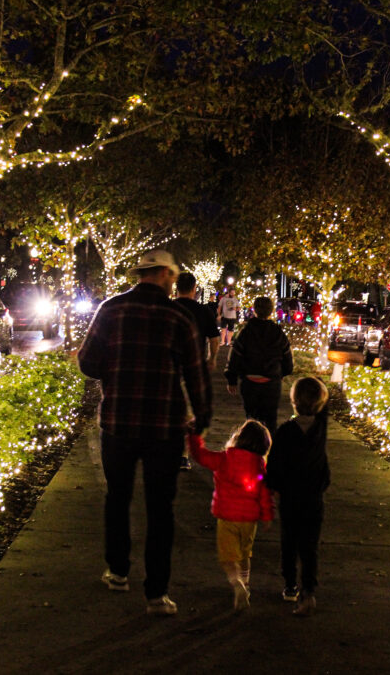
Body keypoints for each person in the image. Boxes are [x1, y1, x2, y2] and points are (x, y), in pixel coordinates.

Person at [77, 249, 212, 616]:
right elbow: (196, 373)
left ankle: (118, 571)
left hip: (118, 421)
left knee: (118, 499)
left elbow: (87, 361)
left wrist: (115, 371)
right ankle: (156, 593)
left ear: (141, 274)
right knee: (160, 508)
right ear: (167, 275)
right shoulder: (178, 316)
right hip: (164, 426)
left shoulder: (111, 309)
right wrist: (201, 415)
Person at [187, 421, 274, 611]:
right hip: (249, 520)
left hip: (227, 517)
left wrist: (194, 437)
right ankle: (246, 584)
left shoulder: (224, 459)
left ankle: (237, 584)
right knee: (244, 554)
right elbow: (264, 492)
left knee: (228, 558)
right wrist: (267, 515)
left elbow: (200, 456)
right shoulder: (259, 464)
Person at [267, 376, 330, 617]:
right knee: (310, 546)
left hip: (290, 498)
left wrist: (272, 487)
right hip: (314, 496)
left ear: (293, 402)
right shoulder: (320, 428)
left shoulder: (284, 432)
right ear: (320, 402)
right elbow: (326, 406)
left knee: (289, 542)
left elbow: (274, 465)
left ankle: (290, 585)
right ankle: (309, 591)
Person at [225, 296, 294, 435]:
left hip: (250, 382)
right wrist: (283, 373)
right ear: (271, 311)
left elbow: (235, 356)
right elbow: (287, 357)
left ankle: (252, 449)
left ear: (254, 310)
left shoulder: (246, 332)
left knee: (251, 420)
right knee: (271, 420)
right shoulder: (278, 332)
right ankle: (269, 451)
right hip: (271, 383)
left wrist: (232, 379)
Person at [174, 272, 222, 471]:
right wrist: (212, 358)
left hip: (169, 366)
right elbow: (214, 338)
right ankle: (185, 454)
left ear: (177, 288)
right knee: (192, 411)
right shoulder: (203, 312)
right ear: (195, 289)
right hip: (194, 366)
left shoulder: (169, 308)